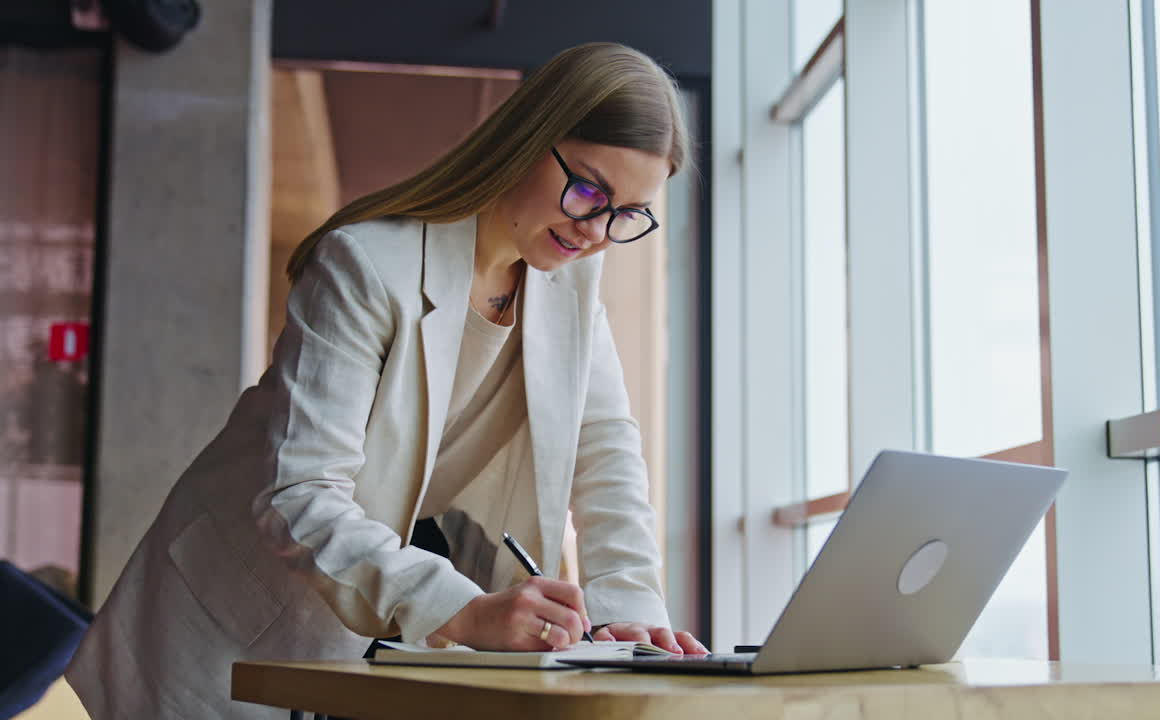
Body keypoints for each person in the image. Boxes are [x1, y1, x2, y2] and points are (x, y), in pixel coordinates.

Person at [66, 41, 707, 719]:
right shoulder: (367, 266)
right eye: (588, 190)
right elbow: (300, 496)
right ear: (528, 138)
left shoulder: (570, 282)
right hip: (230, 611)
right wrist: (464, 610)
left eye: (628, 215)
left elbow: (606, 450)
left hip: (356, 622)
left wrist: (630, 617)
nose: (597, 231)